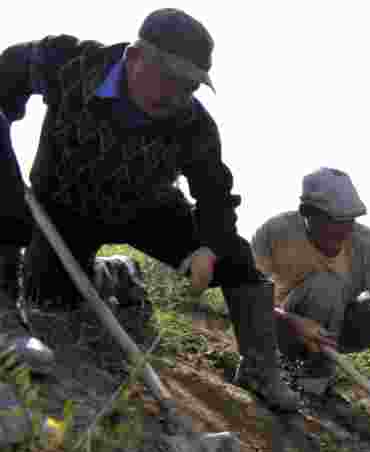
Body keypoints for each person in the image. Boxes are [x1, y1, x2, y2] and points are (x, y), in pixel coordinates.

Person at [0, 9, 299, 411]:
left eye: (189, 86)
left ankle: (262, 369)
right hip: (63, 207)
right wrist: (8, 122)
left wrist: (210, 248)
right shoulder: (69, 63)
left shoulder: (195, 125)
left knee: (236, 258)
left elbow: (216, 197)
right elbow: (10, 73)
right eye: (169, 79)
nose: (177, 95)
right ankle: (115, 273)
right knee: (50, 300)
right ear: (135, 56)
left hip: (147, 211)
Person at [250, 168, 370, 440]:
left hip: (335, 327)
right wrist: (291, 321)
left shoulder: (366, 243)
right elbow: (250, 300)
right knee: (326, 285)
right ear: (308, 213)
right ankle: (311, 383)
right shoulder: (274, 233)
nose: (345, 230)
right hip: (284, 329)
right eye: (335, 222)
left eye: (350, 220)